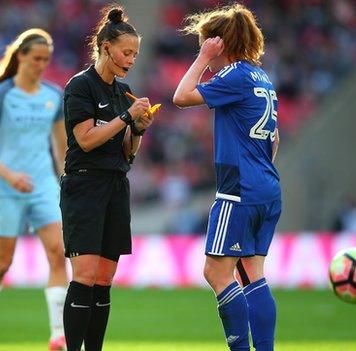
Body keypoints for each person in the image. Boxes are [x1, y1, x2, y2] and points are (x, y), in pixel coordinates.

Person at [173, 4, 281, 351]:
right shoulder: (263, 78)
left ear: (219, 43)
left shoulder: (233, 75)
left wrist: (203, 58)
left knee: (216, 273)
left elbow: (181, 96)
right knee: (251, 273)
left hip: (239, 191)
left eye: (206, 42)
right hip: (268, 186)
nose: (204, 49)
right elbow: (274, 139)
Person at [0, 28, 69, 351]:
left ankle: (57, 336)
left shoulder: (53, 96)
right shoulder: (2, 94)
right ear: (20, 56)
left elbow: (61, 151)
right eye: (36, 58)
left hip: (43, 186)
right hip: (5, 186)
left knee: (58, 253)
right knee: (2, 264)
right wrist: (11, 176)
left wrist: (68, 184)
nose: (41, 65)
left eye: (46, 60)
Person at [61, 6, 154, 351]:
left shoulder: (122, 91)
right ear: (105, 47)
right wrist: (126, 117)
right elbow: (85, 140)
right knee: (84, 277)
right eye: (126, 52)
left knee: (104, 280)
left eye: (135, 54)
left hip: (115, 186)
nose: (131, 59)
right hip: (84, 185)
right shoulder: (80, 86)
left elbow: (127, 152)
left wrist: (139, 130)